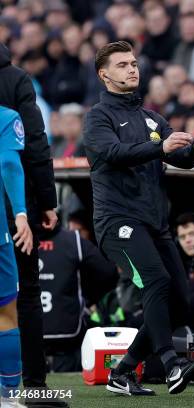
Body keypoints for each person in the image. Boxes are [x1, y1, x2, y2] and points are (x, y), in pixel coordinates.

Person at [83, 41, 194, 397]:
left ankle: (123, 371)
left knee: (180, 302)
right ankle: (172, 365)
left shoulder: (151, 118)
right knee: (156, 281)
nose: (132, 69)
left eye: (133, 63)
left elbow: (182, 160)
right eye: (123, 65)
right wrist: (161, 148)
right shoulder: (99, 117)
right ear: (104, 75)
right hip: (118, 222)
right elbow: (112, 152)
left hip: (155, 223)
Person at [0, 43, 62, 408]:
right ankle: (32, 387)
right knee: (22, 296)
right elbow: (35, 144)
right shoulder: (17, 80)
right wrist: (47, 201)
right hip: (13, 206)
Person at [39, 225, 117, 372]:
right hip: (66, 341)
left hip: (25, 340)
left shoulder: (12, 238)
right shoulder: (73, 240)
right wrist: (87, 299)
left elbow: (108, 272)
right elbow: (109, 272)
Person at [0, 105, 34, 408]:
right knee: (5, 315)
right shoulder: (5, 118)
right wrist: (20, 213)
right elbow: (9, 163)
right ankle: (8, 396)